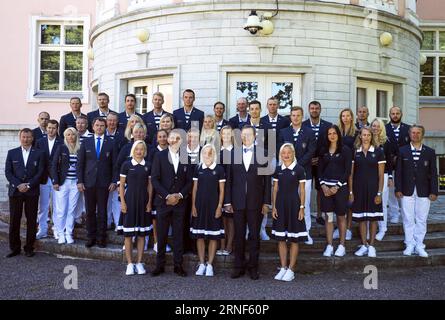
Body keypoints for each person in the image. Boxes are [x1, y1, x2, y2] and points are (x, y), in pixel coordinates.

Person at [225, 125, 271, 280]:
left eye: (249, 135)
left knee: (254, 236)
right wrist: (228, 201)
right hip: (237, 203)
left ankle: (253, 267)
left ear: (255, 136)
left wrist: (266, 202)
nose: (245, 137)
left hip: (256, 202)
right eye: (243, 135)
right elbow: (229, 180)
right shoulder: (233, 154)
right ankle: (238, 267)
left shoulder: (263, 153)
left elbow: (267, 180)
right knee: (238, 236)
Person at [151, 130, 193, 277]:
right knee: (161, 235)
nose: (175, 141)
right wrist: (167, 196)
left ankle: (178, 265)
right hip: (163, 202)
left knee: (178, 235)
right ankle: (159, 265)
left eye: (178, 138)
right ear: (168, 140)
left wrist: (180, 195)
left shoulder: (185, 156)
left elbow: (189, 181)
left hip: (180, 203)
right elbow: (155, 179)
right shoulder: (159, 156)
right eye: (172, 138)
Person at [396, 125, 438, 258]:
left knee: (421, 218)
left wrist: (434, 191)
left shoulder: (430, 152)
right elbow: (398, 172)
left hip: (424, 191)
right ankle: (409, 244)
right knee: (408, 218)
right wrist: (398, 189)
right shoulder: (402, 150)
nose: (415, 135)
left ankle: (419, 244)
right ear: (410, 134)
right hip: (406, 190)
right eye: (413, 133)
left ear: (422, 134)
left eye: (418, 133)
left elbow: (433, 173)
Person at [77, 117, 118, 248]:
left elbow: (115, 164)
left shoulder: (111, 142)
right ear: (93, 127)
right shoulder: (86, 142)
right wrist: (80, 181)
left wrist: (113, 181)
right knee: (89, 211)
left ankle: (101, 238)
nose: (99, 127)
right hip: (88, 182)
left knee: (102, 211)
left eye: (102, 125)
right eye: (97, 125)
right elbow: (80, 163)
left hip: (104, 183)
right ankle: (91, 237)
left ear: (105, 127)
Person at [5, 128, 45, 258]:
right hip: (16, 191)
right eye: (23, 137)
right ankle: (14, 248)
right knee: (14, 220)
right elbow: (8, 172)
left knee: (32, 220)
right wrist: (18, 185)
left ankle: (29, 248)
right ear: (20, 138)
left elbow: (40, 172)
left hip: (31, 191)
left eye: (28, 137)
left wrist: (28, 185)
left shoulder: (39, 153)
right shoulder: (12, 153)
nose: (26, 139)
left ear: (32, 138)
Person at [279, 107, 316, 245]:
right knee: (288, 203)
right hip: (286, 175)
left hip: (304, 173)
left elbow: (311, 151)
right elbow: (280, 150)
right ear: (290, 117)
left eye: (298, 115)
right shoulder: (283, 132)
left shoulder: (309, 132)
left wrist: (297, 165)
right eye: (293, 115)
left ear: (302, 116)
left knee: (303, 203)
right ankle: (289, 230)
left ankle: (306, 232)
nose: (295, 118)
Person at [271, 143, 307, 282]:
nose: (286, 155)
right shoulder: (278, 169)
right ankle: (283, 267)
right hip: (280, 205)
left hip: (294, 206)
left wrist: (302, 207)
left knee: (293, 238)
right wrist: (274, 207)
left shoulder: (299, 169)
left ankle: (291, 269)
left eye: (289, 153)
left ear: (293, 154)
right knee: (281, 238)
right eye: (283, 153)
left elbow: (302, 190)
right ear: (281, 155)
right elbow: (275, 189)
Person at [118, 140, 153, 275]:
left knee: (141, 234)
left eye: (142, 149)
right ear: (133, 150)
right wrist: (123, 203)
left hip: (143, 202)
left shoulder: (148, 165)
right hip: (130, 201)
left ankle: (139, 262)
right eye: (137, 149)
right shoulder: (126, 164)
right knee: (128, 235)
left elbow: (150, 186)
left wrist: (149, 202)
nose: (139, 151)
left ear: (145, 151)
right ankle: (129, 263)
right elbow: (121, 185)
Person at [349, 127, 385, 257]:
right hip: (358, 190)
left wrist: (379, 193)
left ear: (371, 136)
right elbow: (351, 175)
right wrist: (351, 192)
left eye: (368, 135)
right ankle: (364, 245)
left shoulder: (378, 151)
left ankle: (372, 246)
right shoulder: (355, 152)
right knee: (362, 219)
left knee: (373, 218)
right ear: (360, 136)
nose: (366, 137)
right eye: (364, 135)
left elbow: (381, 176)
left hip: (373, 190)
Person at [191, 144, 226, 277]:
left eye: (210, 153)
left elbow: (222, 190)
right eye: (205, 153)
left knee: (213, 236)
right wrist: (193, 206)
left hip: (213, 206)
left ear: (214, 154)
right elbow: (194, 189)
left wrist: (219, 206)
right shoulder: (198, 168)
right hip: (199, 205)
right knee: (200, 236)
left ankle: (210, 264)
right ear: (202, 154)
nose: (207, 155)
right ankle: (201, 263)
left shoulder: (219, 169)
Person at [318, 125, 352, 257]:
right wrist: (324, 186)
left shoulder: (345, 150)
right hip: (326, 189)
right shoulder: (323, 150)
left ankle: (342, 245)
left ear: (338, 134)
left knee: (341, 217)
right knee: (328, 217)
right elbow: (319, 170)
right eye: (329, 133)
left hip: (340, 188)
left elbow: (347, 170)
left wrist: (336, 186)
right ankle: (330, 245)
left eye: (334, 133)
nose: (332, 136)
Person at [302, 101, 332, 227]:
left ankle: (320, 215)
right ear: (309, 110)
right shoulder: (302, 125)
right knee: (305, 189)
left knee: (321, 189)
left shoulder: (327, 125)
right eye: (312, 108)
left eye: (317, 108)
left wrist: (321, 158)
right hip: (305, 162)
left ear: (320, 110)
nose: (314, 110)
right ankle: (304, 214)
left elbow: (330, 143)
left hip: (322, 162)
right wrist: (308, 159)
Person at [50, 128, 81, 244]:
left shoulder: (80, 148)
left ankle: (69, 233)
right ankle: (60, 232)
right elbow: (54, 165)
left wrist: (81, 181)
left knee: (71, 210)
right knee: (61, 209)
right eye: (68, 134)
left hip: (75, 183)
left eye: (73, 134)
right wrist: (55, 181)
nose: (71, 136)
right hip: (63, 183)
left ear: (76, 135)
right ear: (65, 136)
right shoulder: (61, 148)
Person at [35, 120, 63, 240]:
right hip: (43, 178)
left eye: (54, 128)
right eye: (49, 128)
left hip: (57, 179)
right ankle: (42, 230)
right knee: (43, 206)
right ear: (46, 128)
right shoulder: (39, 142)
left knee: (57, 206)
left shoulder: (62, 142)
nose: (51, 130)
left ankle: (57, 229)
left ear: (57, 129)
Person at [371, 118, 396, 241]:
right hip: (369, 176)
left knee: (382, 202)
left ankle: (383, 229)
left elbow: (390, 162)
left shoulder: (386, 142)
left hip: (384, 175)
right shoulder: (367, 140)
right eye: (373, 126)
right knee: (371, 203)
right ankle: (371, 230)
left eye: (377, 126)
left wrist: (390, 176)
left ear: (381, 128)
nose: (375, 128)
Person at [385, 106, 411, 224]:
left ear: (401, 114)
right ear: (389, 115)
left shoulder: (408, 129)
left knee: (404, 190)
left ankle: (405, 213)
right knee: (391, 191)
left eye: (397, 113)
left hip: (405, 165)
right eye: (393, 113)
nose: (395, 115)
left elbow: (411, 146)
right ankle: (394, 214)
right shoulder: (384, 129)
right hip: (389, 165)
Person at [335, 108, 357, 241]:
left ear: (351, 117)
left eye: (348, 116)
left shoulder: (356, 133)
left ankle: (348, 228)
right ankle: (339, 227)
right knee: (340, 199)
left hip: (353, 166)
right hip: (338, 166)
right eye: (343, 116)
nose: (345, 118)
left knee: (350, 197)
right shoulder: (337, 131)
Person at [248, 100, 269, 241]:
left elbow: (271, 148)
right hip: (246, 166)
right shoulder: (242, 127)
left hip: (261, 165)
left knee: (262, 197)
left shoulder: (267, 127)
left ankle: (262, 229)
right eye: (252, 109)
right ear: (249, 110)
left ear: (260, 110)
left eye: (257, 109)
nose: (254, 111)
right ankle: (247, 230)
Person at [148, 129, 171, 253]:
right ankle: (157, 242)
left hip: (170, 191)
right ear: (157, 139)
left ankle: (166, 241)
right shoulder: (153, 152)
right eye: (160, 136)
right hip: (157, 190)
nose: (162, 138)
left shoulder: (173, 151)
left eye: (164, 136)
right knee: (156, 218)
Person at [217, 126, 235, 256]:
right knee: (221, 220)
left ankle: (229, 245)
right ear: (221, 135)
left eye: (229, 133)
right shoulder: (217, 152)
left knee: (230, 220)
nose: (227, 135)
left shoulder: (237, 152)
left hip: (232, 190)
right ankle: (221, 245)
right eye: (224, 133)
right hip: (218, 190)